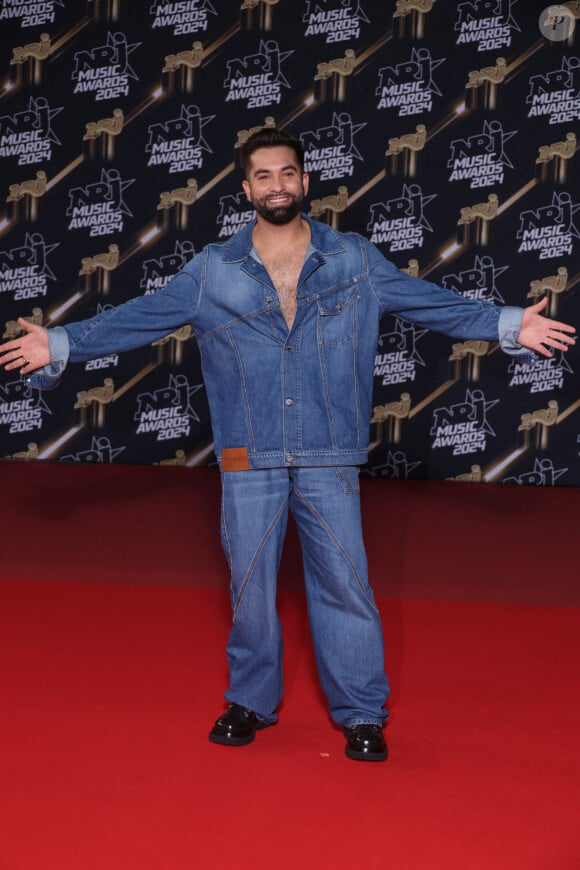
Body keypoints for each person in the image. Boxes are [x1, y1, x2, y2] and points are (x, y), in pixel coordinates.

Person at [1, 127, 575, 762]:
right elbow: (133, 319)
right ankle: (250, 702)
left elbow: (430, 303)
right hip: (250, 455)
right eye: (264, 176)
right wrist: (59, 344)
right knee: (250, 590)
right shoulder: (211, 272)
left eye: (288, 173)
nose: (278, 185)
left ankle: (361, 713)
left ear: (305, 181)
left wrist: (508, 324)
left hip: (331, 453)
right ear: (246, 189)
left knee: (346, 586)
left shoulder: (355, 260)